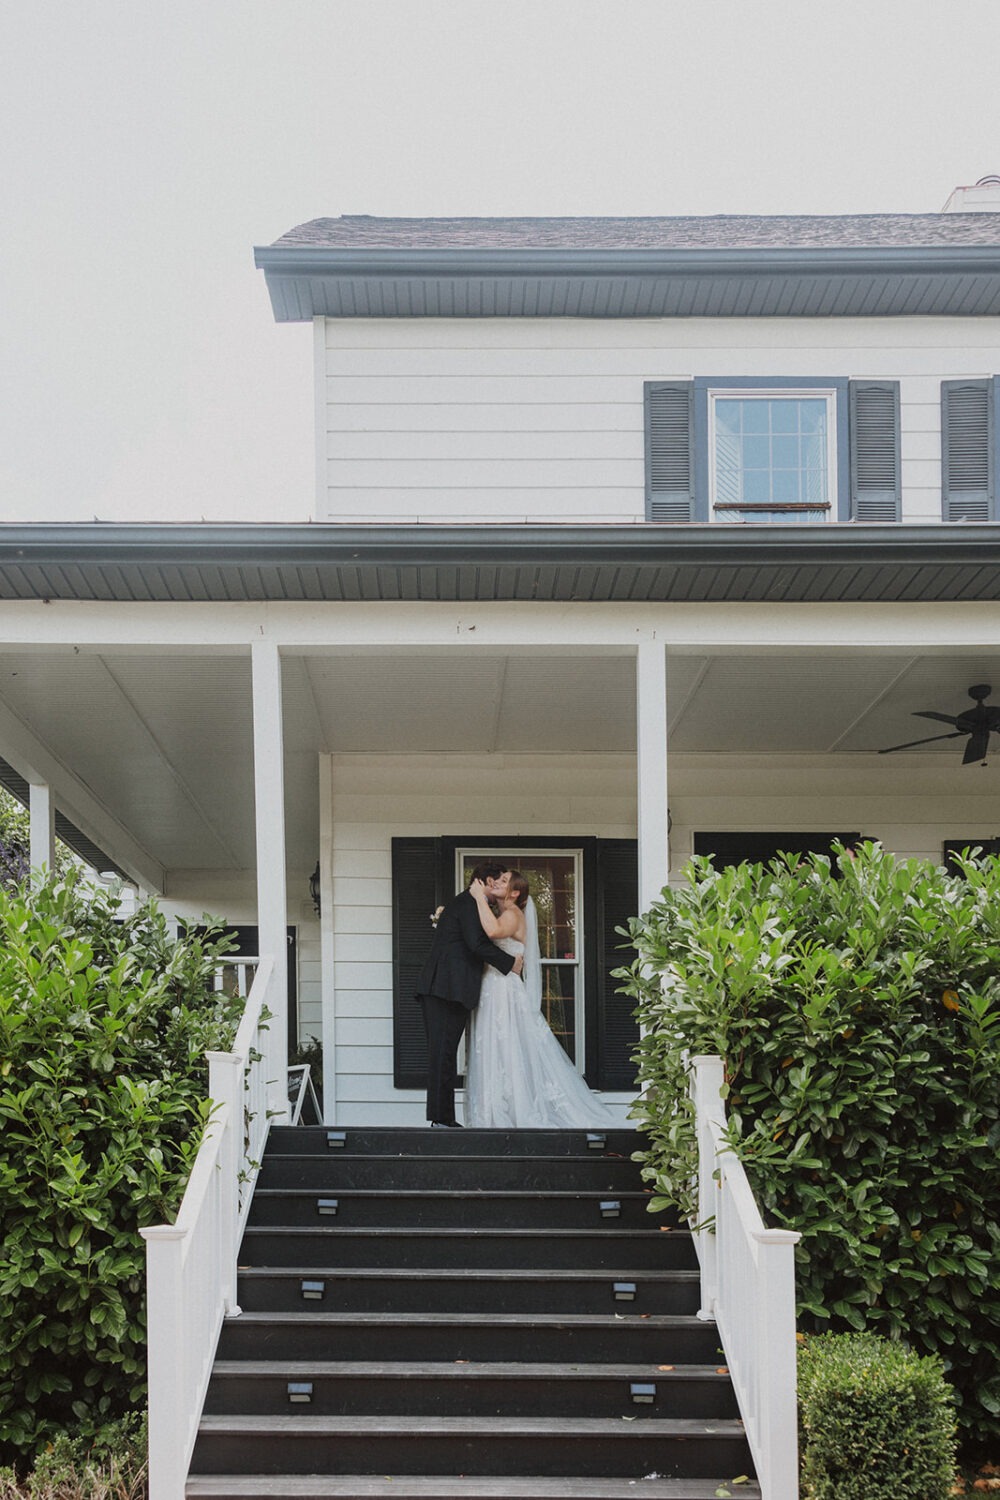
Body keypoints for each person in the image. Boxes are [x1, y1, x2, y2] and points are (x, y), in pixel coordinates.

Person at [465, 871, 615, 1129]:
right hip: (493, 986)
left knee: (507, 1045)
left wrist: (478, 897)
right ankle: (496, 1110)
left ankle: (514, 1112)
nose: (497, 882)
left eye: (503, 881)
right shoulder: (504, 912)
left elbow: (492, 931)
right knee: (494, 1046)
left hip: (503, 990)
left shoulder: (512, 915)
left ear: (514, 893)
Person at [415, 863, 523, 1128]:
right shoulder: (467, 904)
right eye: (497, 881)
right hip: (443, 991)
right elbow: (477, 944)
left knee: (446, 1054)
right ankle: (441, 1120)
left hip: (451, 991)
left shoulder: (470, 905)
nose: (500, 886)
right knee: (442, 1054)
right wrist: (510, 963)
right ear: (486, 880)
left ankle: (443, 1118)